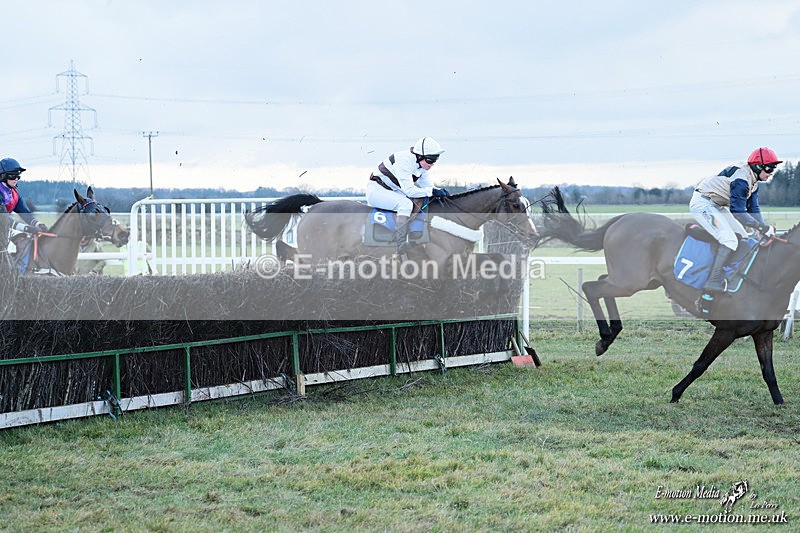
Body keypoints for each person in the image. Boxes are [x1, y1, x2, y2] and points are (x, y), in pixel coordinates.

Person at [690, 147, 781, 293]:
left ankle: (730, 272)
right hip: (702, 203)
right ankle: (712, 281)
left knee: (743, 237)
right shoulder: (742, 180)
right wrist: (761, 228)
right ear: (758, 166)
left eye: (774, 169)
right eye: (769, 168)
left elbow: (753, 209)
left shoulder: (753, 182)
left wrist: (762, 228)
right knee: (730, 240)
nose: (771, 173)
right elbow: (738, 212)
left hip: (716, 204)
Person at [366, 137, 449, 255]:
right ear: (419, 156)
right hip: (377, 191)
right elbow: (410, 191)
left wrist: (440, 191)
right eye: (430, 160)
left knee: (420, 200)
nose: (432, 164)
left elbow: (429, 187)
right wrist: (431, 191)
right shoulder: (404, 160)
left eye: (435, 160)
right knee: (406, 204)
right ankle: (400, 243)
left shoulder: (421, 166)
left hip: (392, 190)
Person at [1, 157, 48, 235]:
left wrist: (38, 224)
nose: (16, 179)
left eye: (18, 176)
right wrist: (25, 228)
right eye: (13, 175)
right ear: (3, 176)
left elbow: (25, 213)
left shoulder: (14, 194)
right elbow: (3, 219)